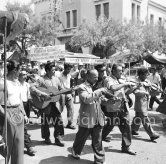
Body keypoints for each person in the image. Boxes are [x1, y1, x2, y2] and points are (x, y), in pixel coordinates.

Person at [71, 69, 107, 164]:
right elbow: (86, 99)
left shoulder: (96, 86)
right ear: (87, 77)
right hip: (87, 118)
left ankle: (99, 159)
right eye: (94, 77)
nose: (96, 78)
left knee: (98, 140)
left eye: (97, 76)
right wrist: (99, 91)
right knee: (81, 137)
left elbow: (99, 100)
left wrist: (108, 100)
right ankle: (76, 151)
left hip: (98, 117)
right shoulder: (81, 87)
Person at [101, 64, 136, 155]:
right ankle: (100, 137)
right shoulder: (108, 79)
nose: (121, 72)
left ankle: (126, 147)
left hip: (123, 106)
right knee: (110, 124)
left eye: (121, 70)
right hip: (113, 107)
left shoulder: (118, 80)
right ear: (113, 71)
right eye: (119, 71)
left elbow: (124, 92)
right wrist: (125, 84)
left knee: (126, 127)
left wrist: (132, 88)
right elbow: (112, 88)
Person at [0, 60, 29, 164]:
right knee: (7, 145)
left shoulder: (17, 83)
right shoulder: (3, 83)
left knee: (19, 144)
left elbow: (20, 100)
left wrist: (24, 114)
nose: (20, 73)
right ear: (14, 70)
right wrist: (6, 115)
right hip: (8, 112)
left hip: (18, 113)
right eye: (19, 70)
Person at [30, 62, 65, 147]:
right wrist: (42, 93)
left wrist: (65, 92)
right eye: (53, 70)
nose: (54, 71)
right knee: (45, 122)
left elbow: (61, 89)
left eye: (54, 70)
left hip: (55, 104)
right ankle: (46, 138)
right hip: (45, 104)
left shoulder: (56, 79)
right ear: (47, 71)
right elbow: (32, 87)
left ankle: (58, 138)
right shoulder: (41, 79)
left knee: (59, 121)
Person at [131, 67, 160, 141]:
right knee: (145, 118)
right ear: (140, 75)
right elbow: (135, 92)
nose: (147, 76)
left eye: (147, 75)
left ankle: (133, 129)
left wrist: (156, 89)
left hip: (145, 102)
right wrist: (144, 92)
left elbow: (152, 89)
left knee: (138, 117)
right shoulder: (136, 82)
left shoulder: (147, 81)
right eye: (145, 75)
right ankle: (152, 134)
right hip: (140, 103)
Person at [18, 70, 36, 156]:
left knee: (24, 125)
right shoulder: (16, 85)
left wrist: (34, 108)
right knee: (23, 127)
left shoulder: (27, 85)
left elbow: (29, 97)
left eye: (26, 75)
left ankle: (22, 143)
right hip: (18, 106)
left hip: (26, 105)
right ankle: (29, 147)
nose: (25, 76)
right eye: (23, 75)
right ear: (19, 75)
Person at [59, 63, 75, 129]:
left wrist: (73, 91)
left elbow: (71, 84)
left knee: (71, 109)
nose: (69, 71)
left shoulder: (69, 75)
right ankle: (57, 121)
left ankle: (70, 123)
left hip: (68, 94)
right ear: (65, 68)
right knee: (60, 109)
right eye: (68, 69)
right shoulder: (59, 75)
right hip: (62, 94)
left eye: (70, 69)